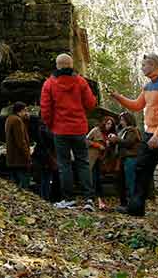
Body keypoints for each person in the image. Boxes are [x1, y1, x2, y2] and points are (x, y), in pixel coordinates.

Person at [111, 53, 158, 222]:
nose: (142, 68)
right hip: (150, 133)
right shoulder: (148, 86)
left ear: (153, 65)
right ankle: (135, 207)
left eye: (145, 65)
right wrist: (118, 97)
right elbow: (137, 105)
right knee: (141, 168)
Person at [40, 53, 97, 210]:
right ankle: (88, 200)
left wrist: (50, 125)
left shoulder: (49, 84)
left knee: (64, 164)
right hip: (79, 129)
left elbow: (45, 110)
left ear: (57, 66)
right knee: (83, 163)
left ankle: (68, 199)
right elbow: (91, 104)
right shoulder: (80, 82)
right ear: (71, 65)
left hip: (60, 130)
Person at [108, 112, 141, 209]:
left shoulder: (133, 131)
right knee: (122, 182)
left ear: (128, 120)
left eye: (122, 119)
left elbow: (128, 143)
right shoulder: (122, 131)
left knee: (130, 182)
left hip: (131, 158)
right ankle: (124, 204)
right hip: (123, 159)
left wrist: (116, 139)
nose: (121, 122)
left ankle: (133, 205)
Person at [87, 116, 116, 209]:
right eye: (108, 123)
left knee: (99, 180)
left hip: (102, 160)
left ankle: (100, 201)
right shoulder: (96, 130)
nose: (109, 126)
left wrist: (109, 144)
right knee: (93, 178)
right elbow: (85, 140)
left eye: (111, 124)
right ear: (103, 123)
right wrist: (97, 145)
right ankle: (92, 199)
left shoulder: (110, 134)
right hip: (92, 158)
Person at [5, 102, 32, 189]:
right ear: (21, 110)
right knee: (23, 184)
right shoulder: (17, 120)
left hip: (12, 158)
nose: (27, 113)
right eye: (25, 110)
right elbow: (21, 141)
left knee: (14, 184)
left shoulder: (10, 118)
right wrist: (28, 156)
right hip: (19, 159)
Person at [33, 124, 59, 201]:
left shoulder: (40, 128)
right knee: (46, 179)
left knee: (43, 179)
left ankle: (43, 198)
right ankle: (45, 198)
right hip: (47, 156)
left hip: (42, 156)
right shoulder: (48, 129)